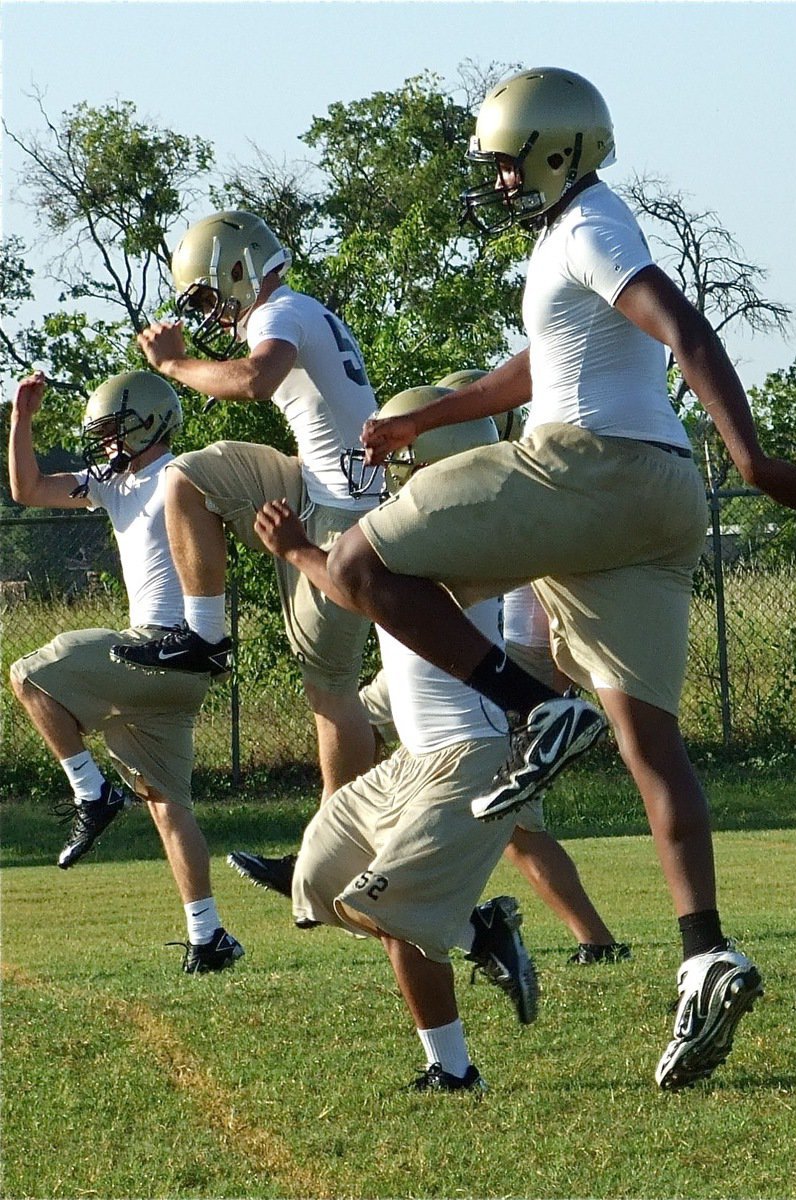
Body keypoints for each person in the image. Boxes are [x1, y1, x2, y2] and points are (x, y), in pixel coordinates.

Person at [322, 68, 796, 1091]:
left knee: (358, 561)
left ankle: (527, 711)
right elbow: (541, 359)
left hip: (590, 465)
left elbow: (679, 325)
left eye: (507, 165)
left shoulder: (592, 224)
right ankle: (702, 953)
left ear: (558, 152)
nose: (498, 183)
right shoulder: (573, 238)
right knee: (650, 743)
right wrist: (425, 417)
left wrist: (757, 461)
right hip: (655, 500)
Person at [232, 387, 541, 1093]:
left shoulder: (465, 536)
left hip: (470, 759)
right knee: (318, 882)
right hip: (412, 761)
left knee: (387, 902)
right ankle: (470, 960)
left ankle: (459, 1035)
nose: (386, 471)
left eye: (401, 460)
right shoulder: (414, 532)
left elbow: (355, 589)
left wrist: (299, 549)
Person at [110, 211, 378, 798]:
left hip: (342, 511)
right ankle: (205, 635)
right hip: (313, 482)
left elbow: (257, 379)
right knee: (186, 478)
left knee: (330, 692)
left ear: (240, 268)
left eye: (210, 295)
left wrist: (175, 365)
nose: (211, 312)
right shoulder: (299, 309)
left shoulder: (280, 310)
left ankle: (337, 847)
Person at [8, 370, 243, 973]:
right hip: (167, 673)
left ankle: (91, 791)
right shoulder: (118, 484)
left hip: (163, 649)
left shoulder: (181, 474)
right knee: (168, 803)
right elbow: (28, 489)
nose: (106, 443)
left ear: (149, 422)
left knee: (30, 675)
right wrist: (22, 420)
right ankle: (208, 936)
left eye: (114, 430)